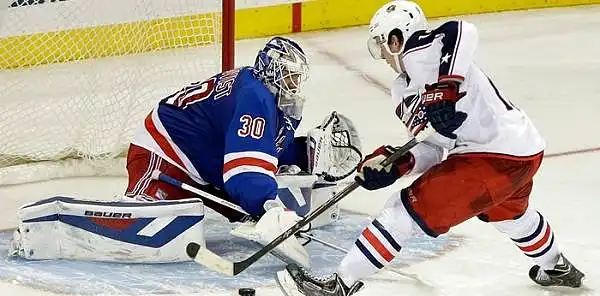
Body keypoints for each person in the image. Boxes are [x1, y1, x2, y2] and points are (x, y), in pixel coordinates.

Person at [275, 1, 585, 295]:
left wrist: (446, 86)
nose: (382, 55)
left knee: (401, 210)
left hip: (493, 155)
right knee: (510, 215)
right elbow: (434, 146)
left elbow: (463, 30)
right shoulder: (403, 89)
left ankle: (339, 284)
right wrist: (397, 164)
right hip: (520, 151)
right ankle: (556, 266)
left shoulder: (424, 50)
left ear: (397, 38)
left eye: (382, 44)